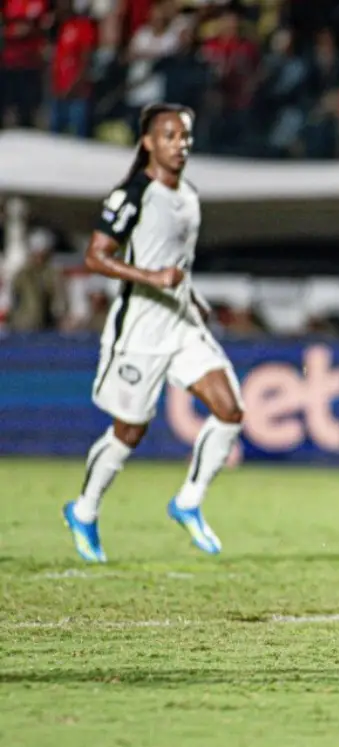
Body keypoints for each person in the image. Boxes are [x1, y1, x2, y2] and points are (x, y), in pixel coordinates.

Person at [62, 103, 244, 564]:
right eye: (169, 135)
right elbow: (95, 256)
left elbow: (177, 263)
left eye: (184, 136)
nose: (179, 143)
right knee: (130, 430)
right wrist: (152, 277)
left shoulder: (189, 195)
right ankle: (83, 510)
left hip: (181, 323)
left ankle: (188, 502)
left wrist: (191, 294)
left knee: (230, 409)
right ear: (148, 142)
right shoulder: (133, 194)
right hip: (140, 329)